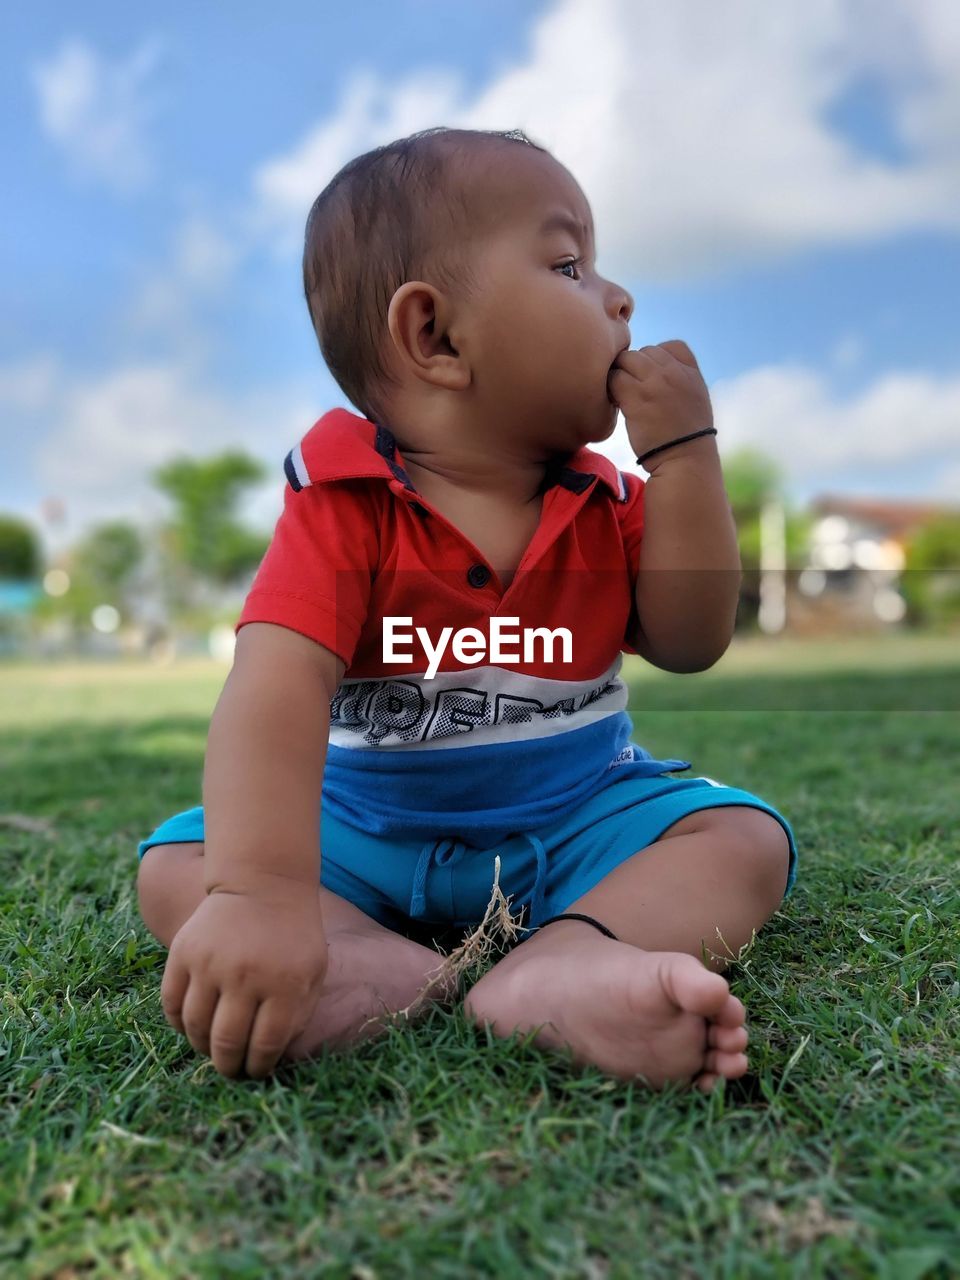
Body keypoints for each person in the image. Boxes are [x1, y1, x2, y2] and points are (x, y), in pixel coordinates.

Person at [136, 126, 798, 1093]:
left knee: (745, 840)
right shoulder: (343, 504)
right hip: (359, 834)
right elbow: (273, 691)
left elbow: (693, 641)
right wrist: (264, 893)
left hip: (575, 823)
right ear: (435, 336)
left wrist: (687, 460)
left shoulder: (606, 506)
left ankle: (568, 960)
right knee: (180, 866)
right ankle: (355, 953)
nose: (618, 298)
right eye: (569, 264)